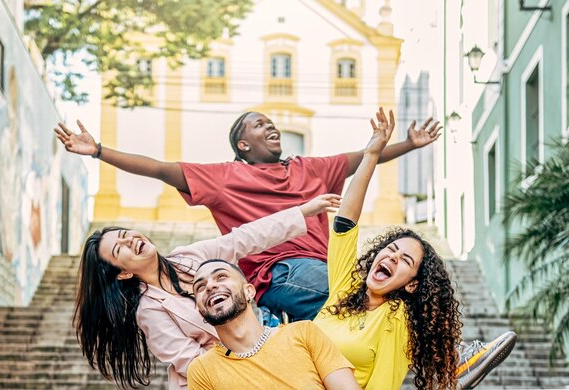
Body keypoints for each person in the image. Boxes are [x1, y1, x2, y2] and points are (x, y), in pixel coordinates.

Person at [55, 111, 441, 321]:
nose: (270, 126)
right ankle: (447, 357)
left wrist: (410, 143)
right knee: (375, 296)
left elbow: (367, 156)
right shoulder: (224, 177)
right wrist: (98, 151)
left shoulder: (312, 167)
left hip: (326, 269)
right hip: (280, 274)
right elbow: (158, 168)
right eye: (259, 125)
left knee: (352, 334)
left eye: (271, 123)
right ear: (243, 144)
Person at [312, 108, 516, 389]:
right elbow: (345, 223)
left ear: (411, 285)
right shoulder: (345, 289)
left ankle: (458, 361)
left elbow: (384, 383)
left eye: (405, 260)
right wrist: (371, 155)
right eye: (391, 249)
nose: (392, 256)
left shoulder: (395, 319)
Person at [73, 194, 341, 389]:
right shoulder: (149, 310)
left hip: (252, 354)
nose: (130, 240)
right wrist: (255, 364)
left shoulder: (188, 256)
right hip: (212, 380)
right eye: (121, 249)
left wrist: (302, 211)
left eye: (124, 234)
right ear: (123, 273)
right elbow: (191, 361)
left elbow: (243, 238)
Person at [187, 258, 360, 390]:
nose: (210, 286)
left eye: (221, 276)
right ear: (200, 309)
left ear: (249, 291)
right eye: (200, 287)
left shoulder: (304, 332)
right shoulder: (202, 370)